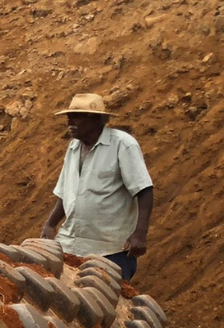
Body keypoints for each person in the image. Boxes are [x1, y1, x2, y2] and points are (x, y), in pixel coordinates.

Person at [40, 92, 154, 282]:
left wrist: (140, 234)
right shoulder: (73, 148)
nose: (69, 122)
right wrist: (50, 224)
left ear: (94, 119)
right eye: (68, 117)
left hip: (110, 250)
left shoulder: (123, 145)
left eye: (76, 117)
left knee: (105, 304)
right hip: (71, 245)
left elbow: (144, 190)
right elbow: (66, 191)